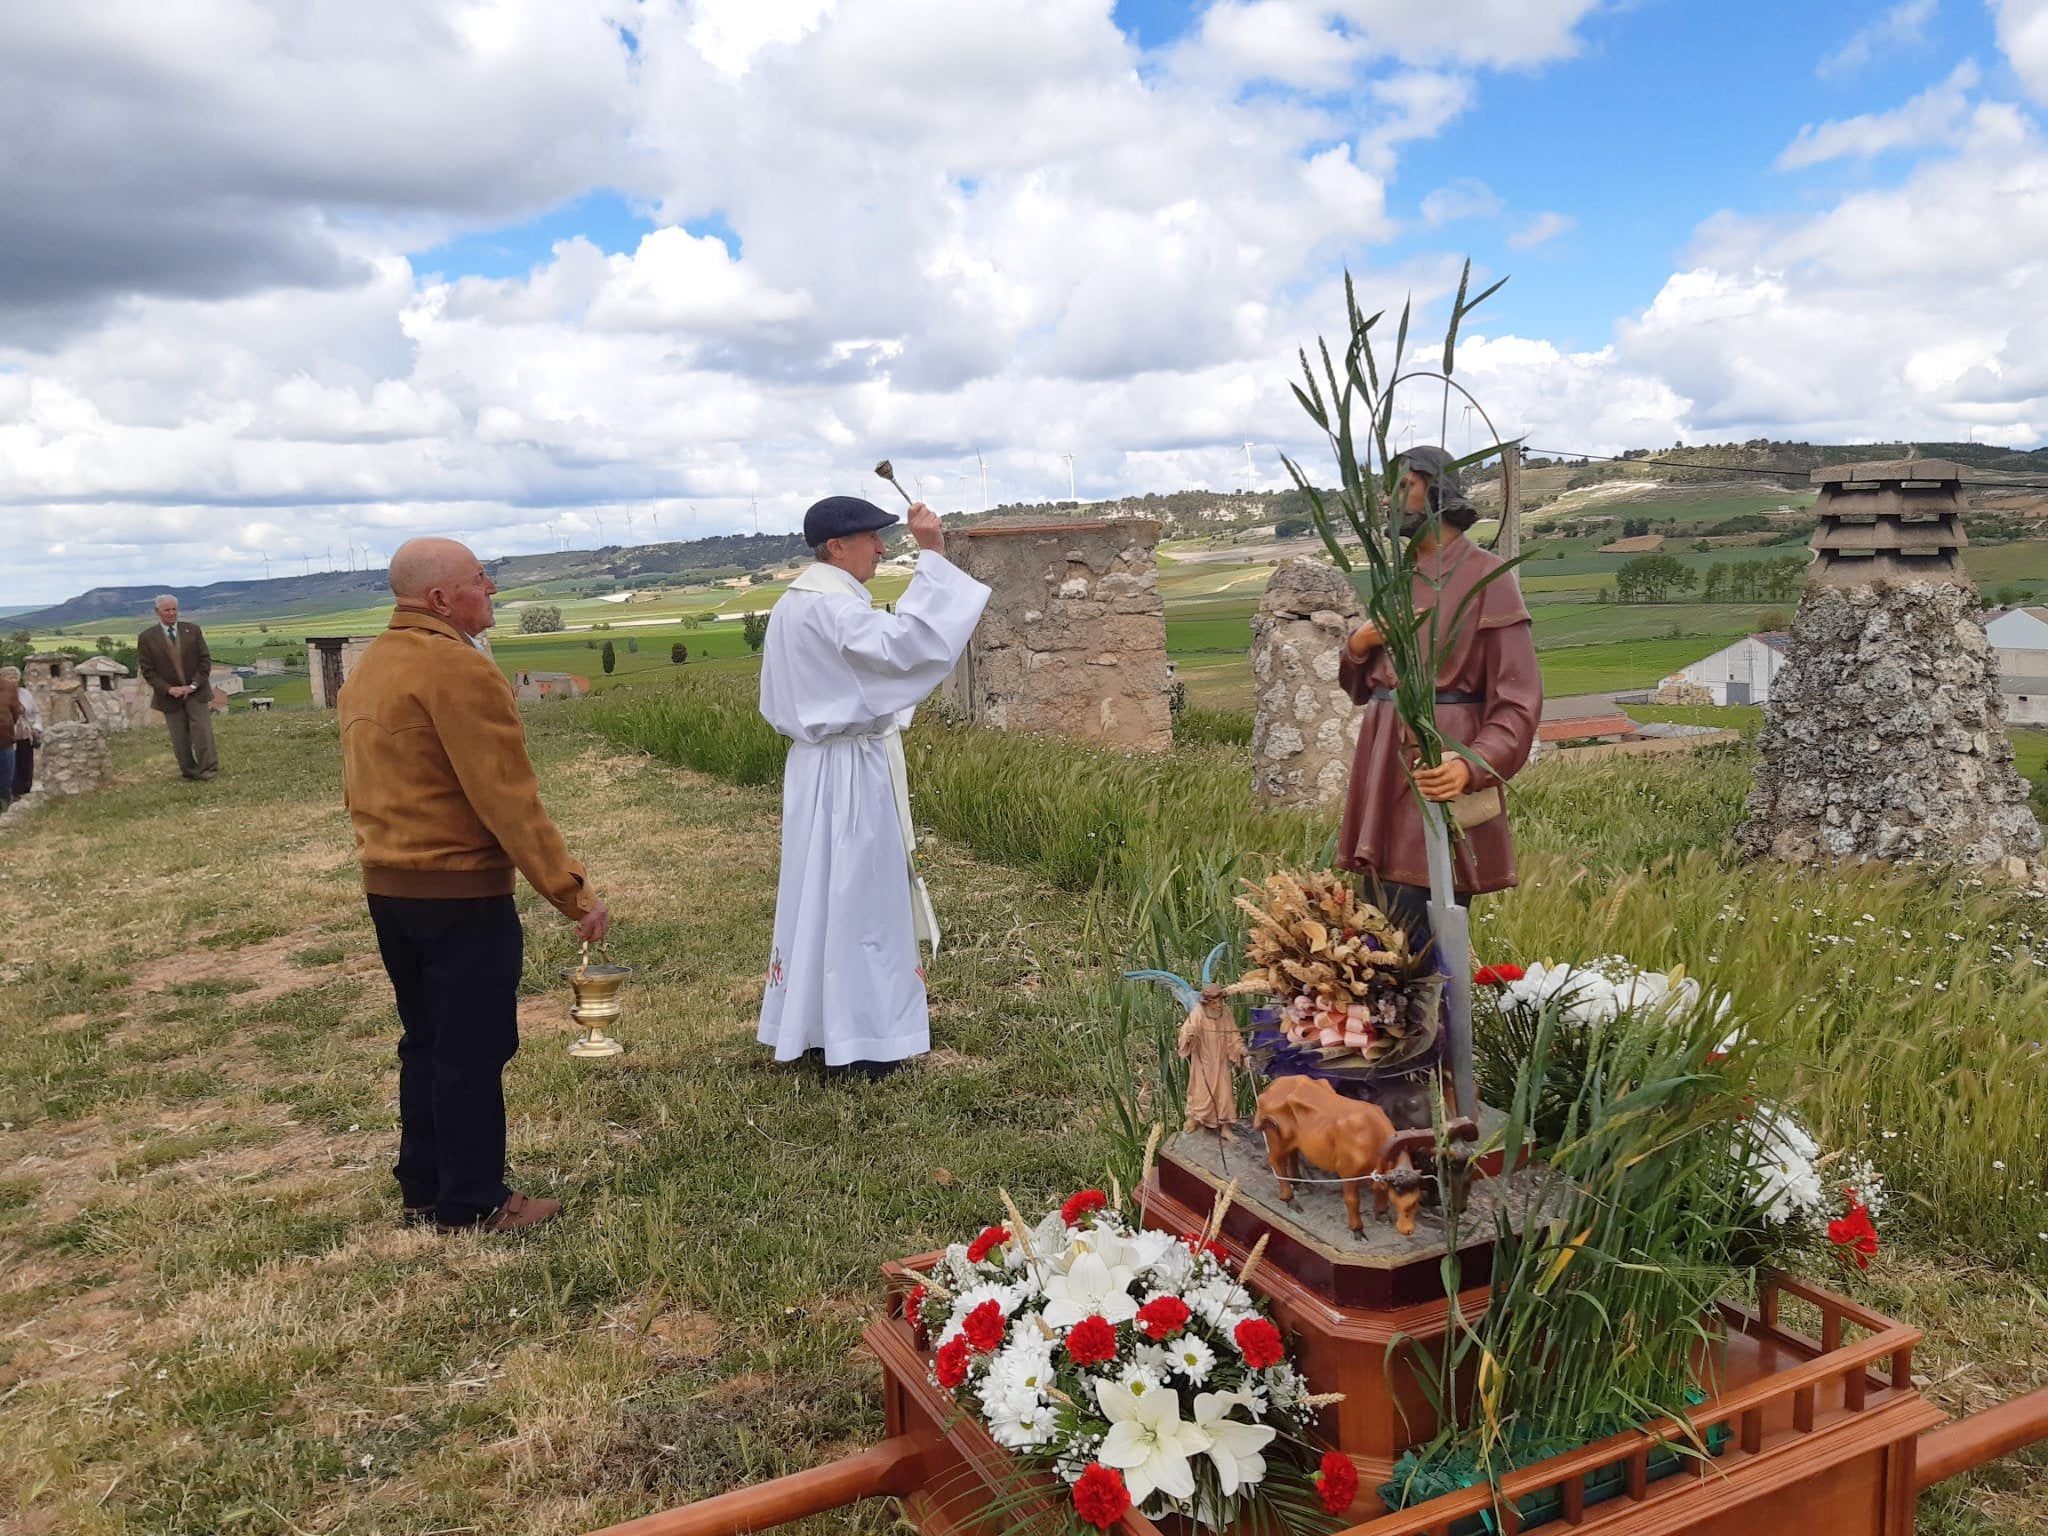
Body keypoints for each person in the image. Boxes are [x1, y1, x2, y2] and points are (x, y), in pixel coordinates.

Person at [339, 537, 609, 1233]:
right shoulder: (458, 669)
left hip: (390, 885)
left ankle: (424, 1184)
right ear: (439, 598)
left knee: (425, 1039)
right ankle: (475, 1200)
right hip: (457, 891)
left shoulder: (374, 664)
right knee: (472, 1048)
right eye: (479, 579)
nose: (491, 589)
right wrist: (571, 891)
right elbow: (506, 798)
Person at [757, 495, 990, 1080]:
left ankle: (814, 1027)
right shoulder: (834, 609)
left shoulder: (796, 602)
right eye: (872, 539)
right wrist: (932, 556)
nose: (883, 549)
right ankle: (861, 1040)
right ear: (837, 547)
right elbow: (907, 649)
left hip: (816, 769)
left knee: (818, 897)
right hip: (847, 776)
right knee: (858, 902)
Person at [1336, 446, 1542, 941]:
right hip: (1383, 764)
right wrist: (1359, 647)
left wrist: (1470, 765)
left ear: (1438, 490)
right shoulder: (1398, 580)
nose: (1390, 499)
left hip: (1439, 758)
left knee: (1425, 921)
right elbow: (1361, 689)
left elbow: (1518, 699)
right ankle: (1386, 1017)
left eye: (1404, 486)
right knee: (1376, 922)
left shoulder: (1487, 578)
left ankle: (1432, 1017)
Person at [136, 595, 218, 781]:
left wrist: (194, 685)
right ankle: (189, 772)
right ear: (158, 612)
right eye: (167, 610)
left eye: (174, 609)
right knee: (179, 737)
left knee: (202, 732)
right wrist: (168, 689)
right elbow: (148, 671)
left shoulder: (193, 630)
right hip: (169, 696)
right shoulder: (147, 638)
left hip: (196, 692)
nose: (172, 613)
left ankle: (209, 769)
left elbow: (204, 661)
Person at [1178, 982, 1247, 1133]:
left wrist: (1240, 1049)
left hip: (1221, 1059)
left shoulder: (1226, 1013)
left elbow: (1233, 1035)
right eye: (1214, 1002)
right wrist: (1188, 1035)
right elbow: (1186, 1032)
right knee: (1200, 1090)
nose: (1219, 1005)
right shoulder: (1198, 1014)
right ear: (1207, 1002)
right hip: (1204, 1059)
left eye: (1220, 1001)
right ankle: (1194, 1118)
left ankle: (1225, 1127)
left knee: (1224, 1093)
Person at [0, 670, 21, 813]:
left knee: (6, 775)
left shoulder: (9, 688)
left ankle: (4, 804)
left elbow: (15, 714)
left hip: (5, 739)